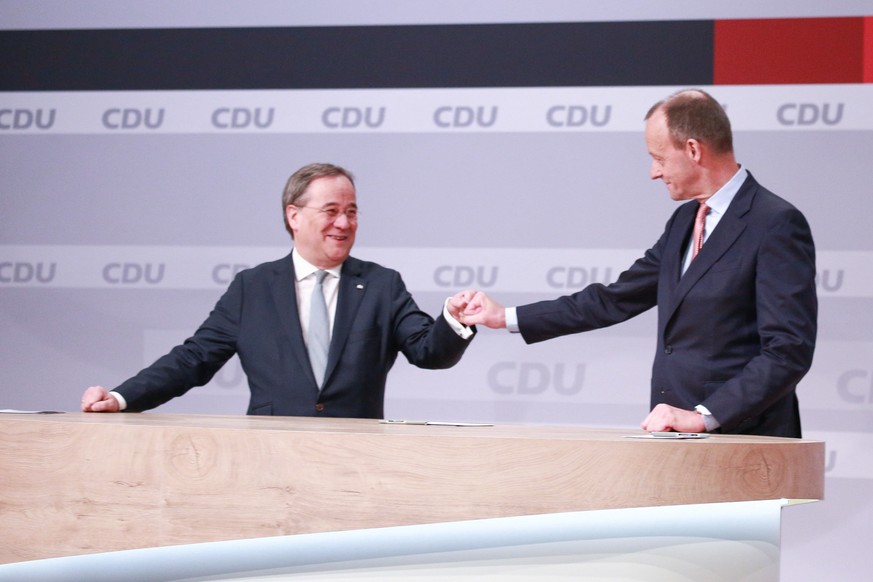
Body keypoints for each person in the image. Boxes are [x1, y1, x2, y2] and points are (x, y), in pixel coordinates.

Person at [458, 89, 817, 438]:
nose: (653, 172)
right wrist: (504, 317)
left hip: (746, 442)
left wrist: (704, 417)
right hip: (674, 435)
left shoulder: (775, 223)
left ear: (693, 149)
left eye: (659, 158)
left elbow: (787, 351)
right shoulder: (683, 221)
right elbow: (614, 299)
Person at [82, 162, 476, 418]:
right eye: (331, 211)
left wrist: (452, 321)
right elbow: (193, 359)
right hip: (270, 456)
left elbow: (429, 353)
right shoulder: (252, 288)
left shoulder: (380, 284)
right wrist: (121, 398)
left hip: (358, 457)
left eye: (352, 211)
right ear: (294, 215)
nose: (344, 222)